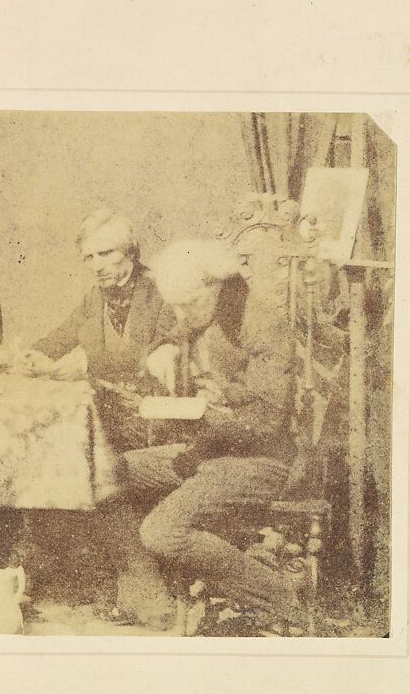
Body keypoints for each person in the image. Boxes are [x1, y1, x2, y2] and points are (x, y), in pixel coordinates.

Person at [118, 239, 308, 635]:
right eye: (175, 307)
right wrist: (164, 349)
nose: (180, 315)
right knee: (109, 472)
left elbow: (269, 419)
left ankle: (279, 596)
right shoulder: (196, 311)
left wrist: (214, 410)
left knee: (161, 532)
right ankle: (152, 592)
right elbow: (173, 332)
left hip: (260, 460)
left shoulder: (263, 325)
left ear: (213, 288)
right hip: (208, 450)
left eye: (187, 304)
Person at [15, 209, 173, 451]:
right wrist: (34, 354)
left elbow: (152, 359)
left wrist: (86, 366)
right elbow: (61, 337)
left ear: (130, 251)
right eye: (89, 257)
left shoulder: (162, 290)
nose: (97, 266)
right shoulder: (95, 297)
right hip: (112, 417)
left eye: (106, 253)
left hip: (156, 423)